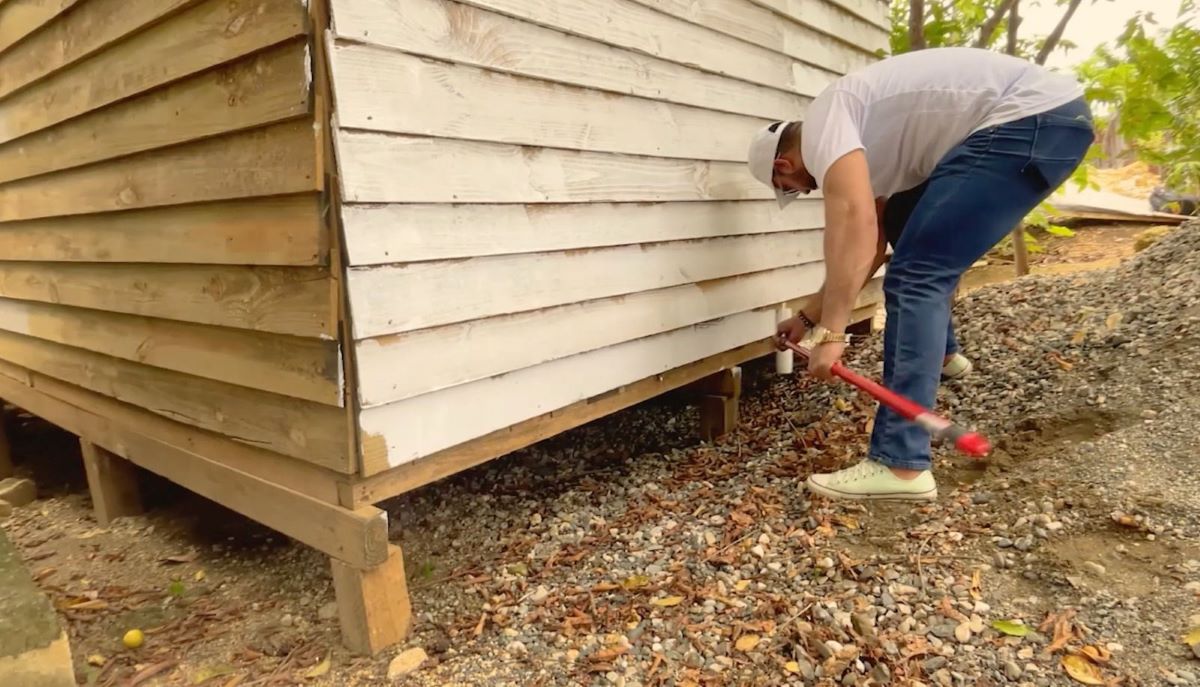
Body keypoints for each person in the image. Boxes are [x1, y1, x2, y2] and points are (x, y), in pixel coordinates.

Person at [746, 47, 1094, 501]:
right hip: (1050, 120)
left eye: (792, 189)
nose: (806, 192)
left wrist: (832, 333)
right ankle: (943, 357)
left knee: (915, 276)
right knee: (905, 222)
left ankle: (900, 463)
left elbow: (852, 223)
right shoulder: (862, 143)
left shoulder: (825, 123)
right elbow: (872, 242)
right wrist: (809, 318)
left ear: (783, 167)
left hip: (1026, 120)